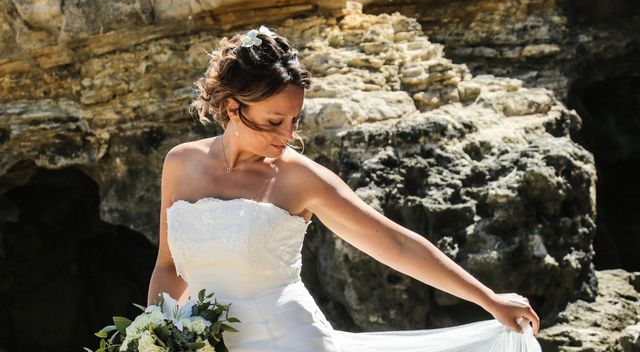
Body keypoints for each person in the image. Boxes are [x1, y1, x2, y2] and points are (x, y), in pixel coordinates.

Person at [147, 26, 542, 351]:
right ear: (234, 108)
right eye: (274, 121)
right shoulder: (181, 164)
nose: (288, 135)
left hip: (290, 341)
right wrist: (158, 337)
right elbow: (168, 268)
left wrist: (488, 299)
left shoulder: (300, 178)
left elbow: (395, 244)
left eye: (295, 120)